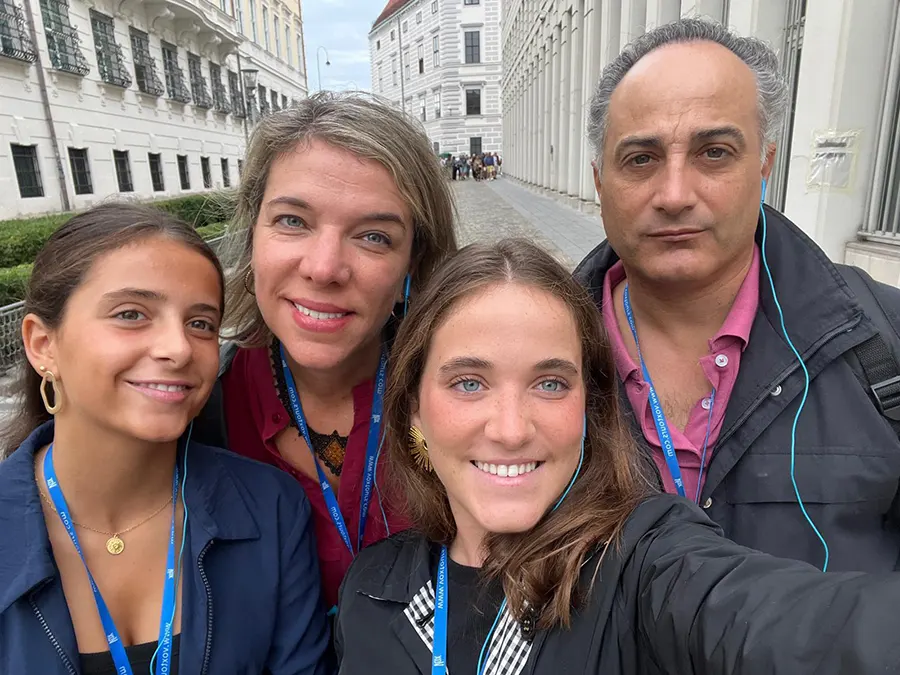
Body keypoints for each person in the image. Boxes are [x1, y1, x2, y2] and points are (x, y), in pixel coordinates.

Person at [336, 238, 900, 675]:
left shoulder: (641, 562)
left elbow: (787, 625)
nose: (510, 430)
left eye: (551, 384)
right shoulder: (371, 588)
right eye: (468, 383)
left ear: (590, 405)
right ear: (413, 410)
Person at [574, 18, 900, 572]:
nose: (674, 195)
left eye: (715, 152)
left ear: (765, 163)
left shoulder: (884, 339)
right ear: (601, 180)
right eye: (641, 159)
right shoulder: (536, 355)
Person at [0, 204, 331, 675]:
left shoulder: (271, 510)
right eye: (131, 314)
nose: (177, 349)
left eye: (201, 324)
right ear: (41, 344)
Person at [193, 92, 458, 609]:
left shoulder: (464, 400)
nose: (323, 267)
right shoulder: (197, 410)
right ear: (252, 236)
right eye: (293, 221)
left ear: (412, 263)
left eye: (374, 237)